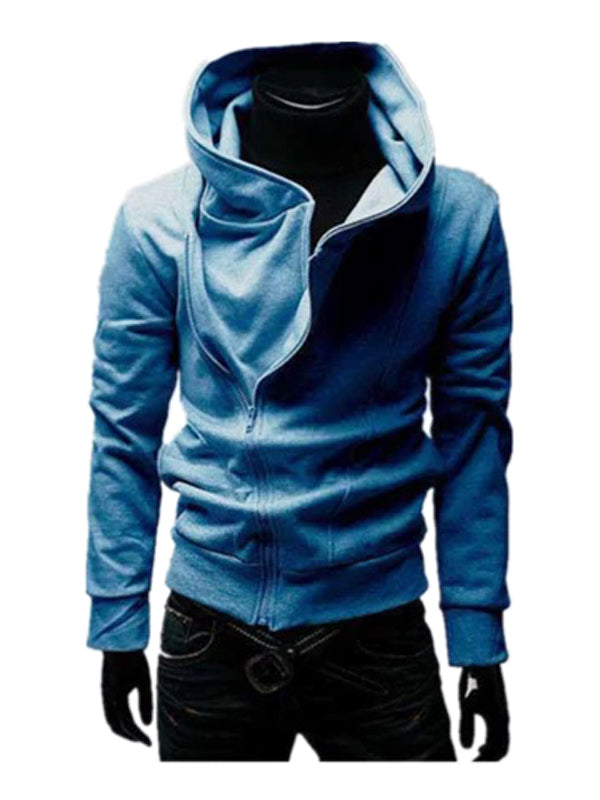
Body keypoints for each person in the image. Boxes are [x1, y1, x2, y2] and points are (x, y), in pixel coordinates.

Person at [89, 40, 512, 761]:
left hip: (378, 627)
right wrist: (117, 617)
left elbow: (475, 436)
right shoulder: (156, 221)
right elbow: (123, 431)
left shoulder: (459, 218)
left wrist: (476, 629)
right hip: (210, 631)